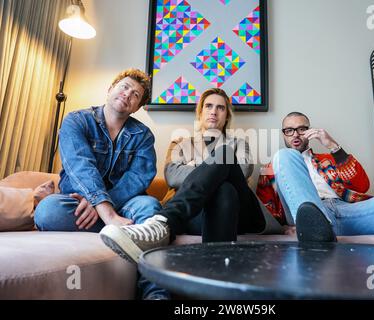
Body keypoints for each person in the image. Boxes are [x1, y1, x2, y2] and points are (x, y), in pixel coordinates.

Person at [34, 68, 169, 299]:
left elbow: (139, 176)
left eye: (135, 95)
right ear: (110, 89)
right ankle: (125, 231)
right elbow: (79, 165)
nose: (128, 94)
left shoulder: (143, 135)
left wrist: (104, 206)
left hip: (124, 206)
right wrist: (104, 210)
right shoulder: (76, 121)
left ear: (137, 107)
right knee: (47, 211)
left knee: (150, 207)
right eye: (124, 87)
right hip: (78, 201)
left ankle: (155, 293)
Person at [100, 88, 266, 263]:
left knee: (225, 155)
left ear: (227, 116)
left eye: (220, 108)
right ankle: (217, 273)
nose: (214, 111)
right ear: (200, 112)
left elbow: (243, 170)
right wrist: (215, 170)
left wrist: (197, 165)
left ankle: (164, 224)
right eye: (208, 106)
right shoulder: (181, 143)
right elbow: (172, 175)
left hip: (240, 213)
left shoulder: (239, 143)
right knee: (224, 189)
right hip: (196, 215)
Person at [256, 111, 374, 250]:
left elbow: (361, 185)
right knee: (285, 155)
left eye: (301, 129)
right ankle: (316, 229)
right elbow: (266, 207)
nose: (295, 134)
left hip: (347, 211)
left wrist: (332, 145)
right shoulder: (277, 164)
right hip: (309, 215)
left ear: (309, 131)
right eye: (289, 130)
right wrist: (283, 227)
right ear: (283, 134)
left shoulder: (329, 159)